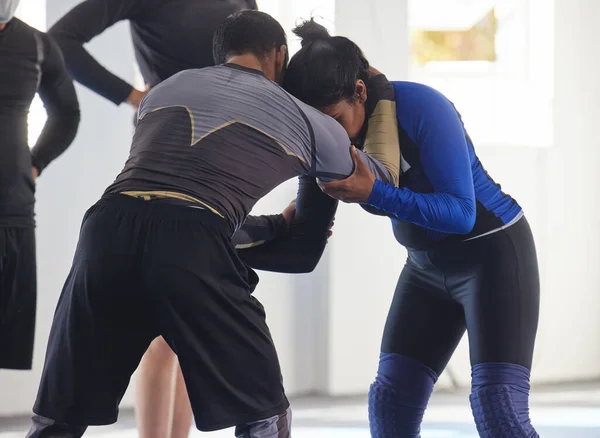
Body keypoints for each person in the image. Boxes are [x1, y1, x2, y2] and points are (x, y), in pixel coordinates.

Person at [26, 10, 396, 438]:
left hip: (104, 231)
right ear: (279, 56)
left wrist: (274, 224)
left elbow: (169, 204)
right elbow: (381, 181)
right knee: (264, 416)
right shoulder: (308, 120)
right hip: (193, 241)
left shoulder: (163, 91)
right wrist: (382, 91)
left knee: (59, 416)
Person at [283, 20, 540, 438]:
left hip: (491, 257)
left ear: (360, 93)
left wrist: (375, 194)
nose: (327, 134)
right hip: (425, 268)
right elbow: (303, 241)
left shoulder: (421, 107)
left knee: (499, 408)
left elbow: (461, 213)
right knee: (391, 406)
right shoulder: (327, 132)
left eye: (334, 119)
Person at [47, 2, 257, 436]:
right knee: (161, 329)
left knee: (190, 323)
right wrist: (134, 96)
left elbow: (258, 53)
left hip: (228, 158)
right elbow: (61, 40)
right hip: (167, 156)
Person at [0, 0, 80, 372]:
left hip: (13, 212)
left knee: (5, 344)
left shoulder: (36, 45)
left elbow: (66, 112)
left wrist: (36, 163)